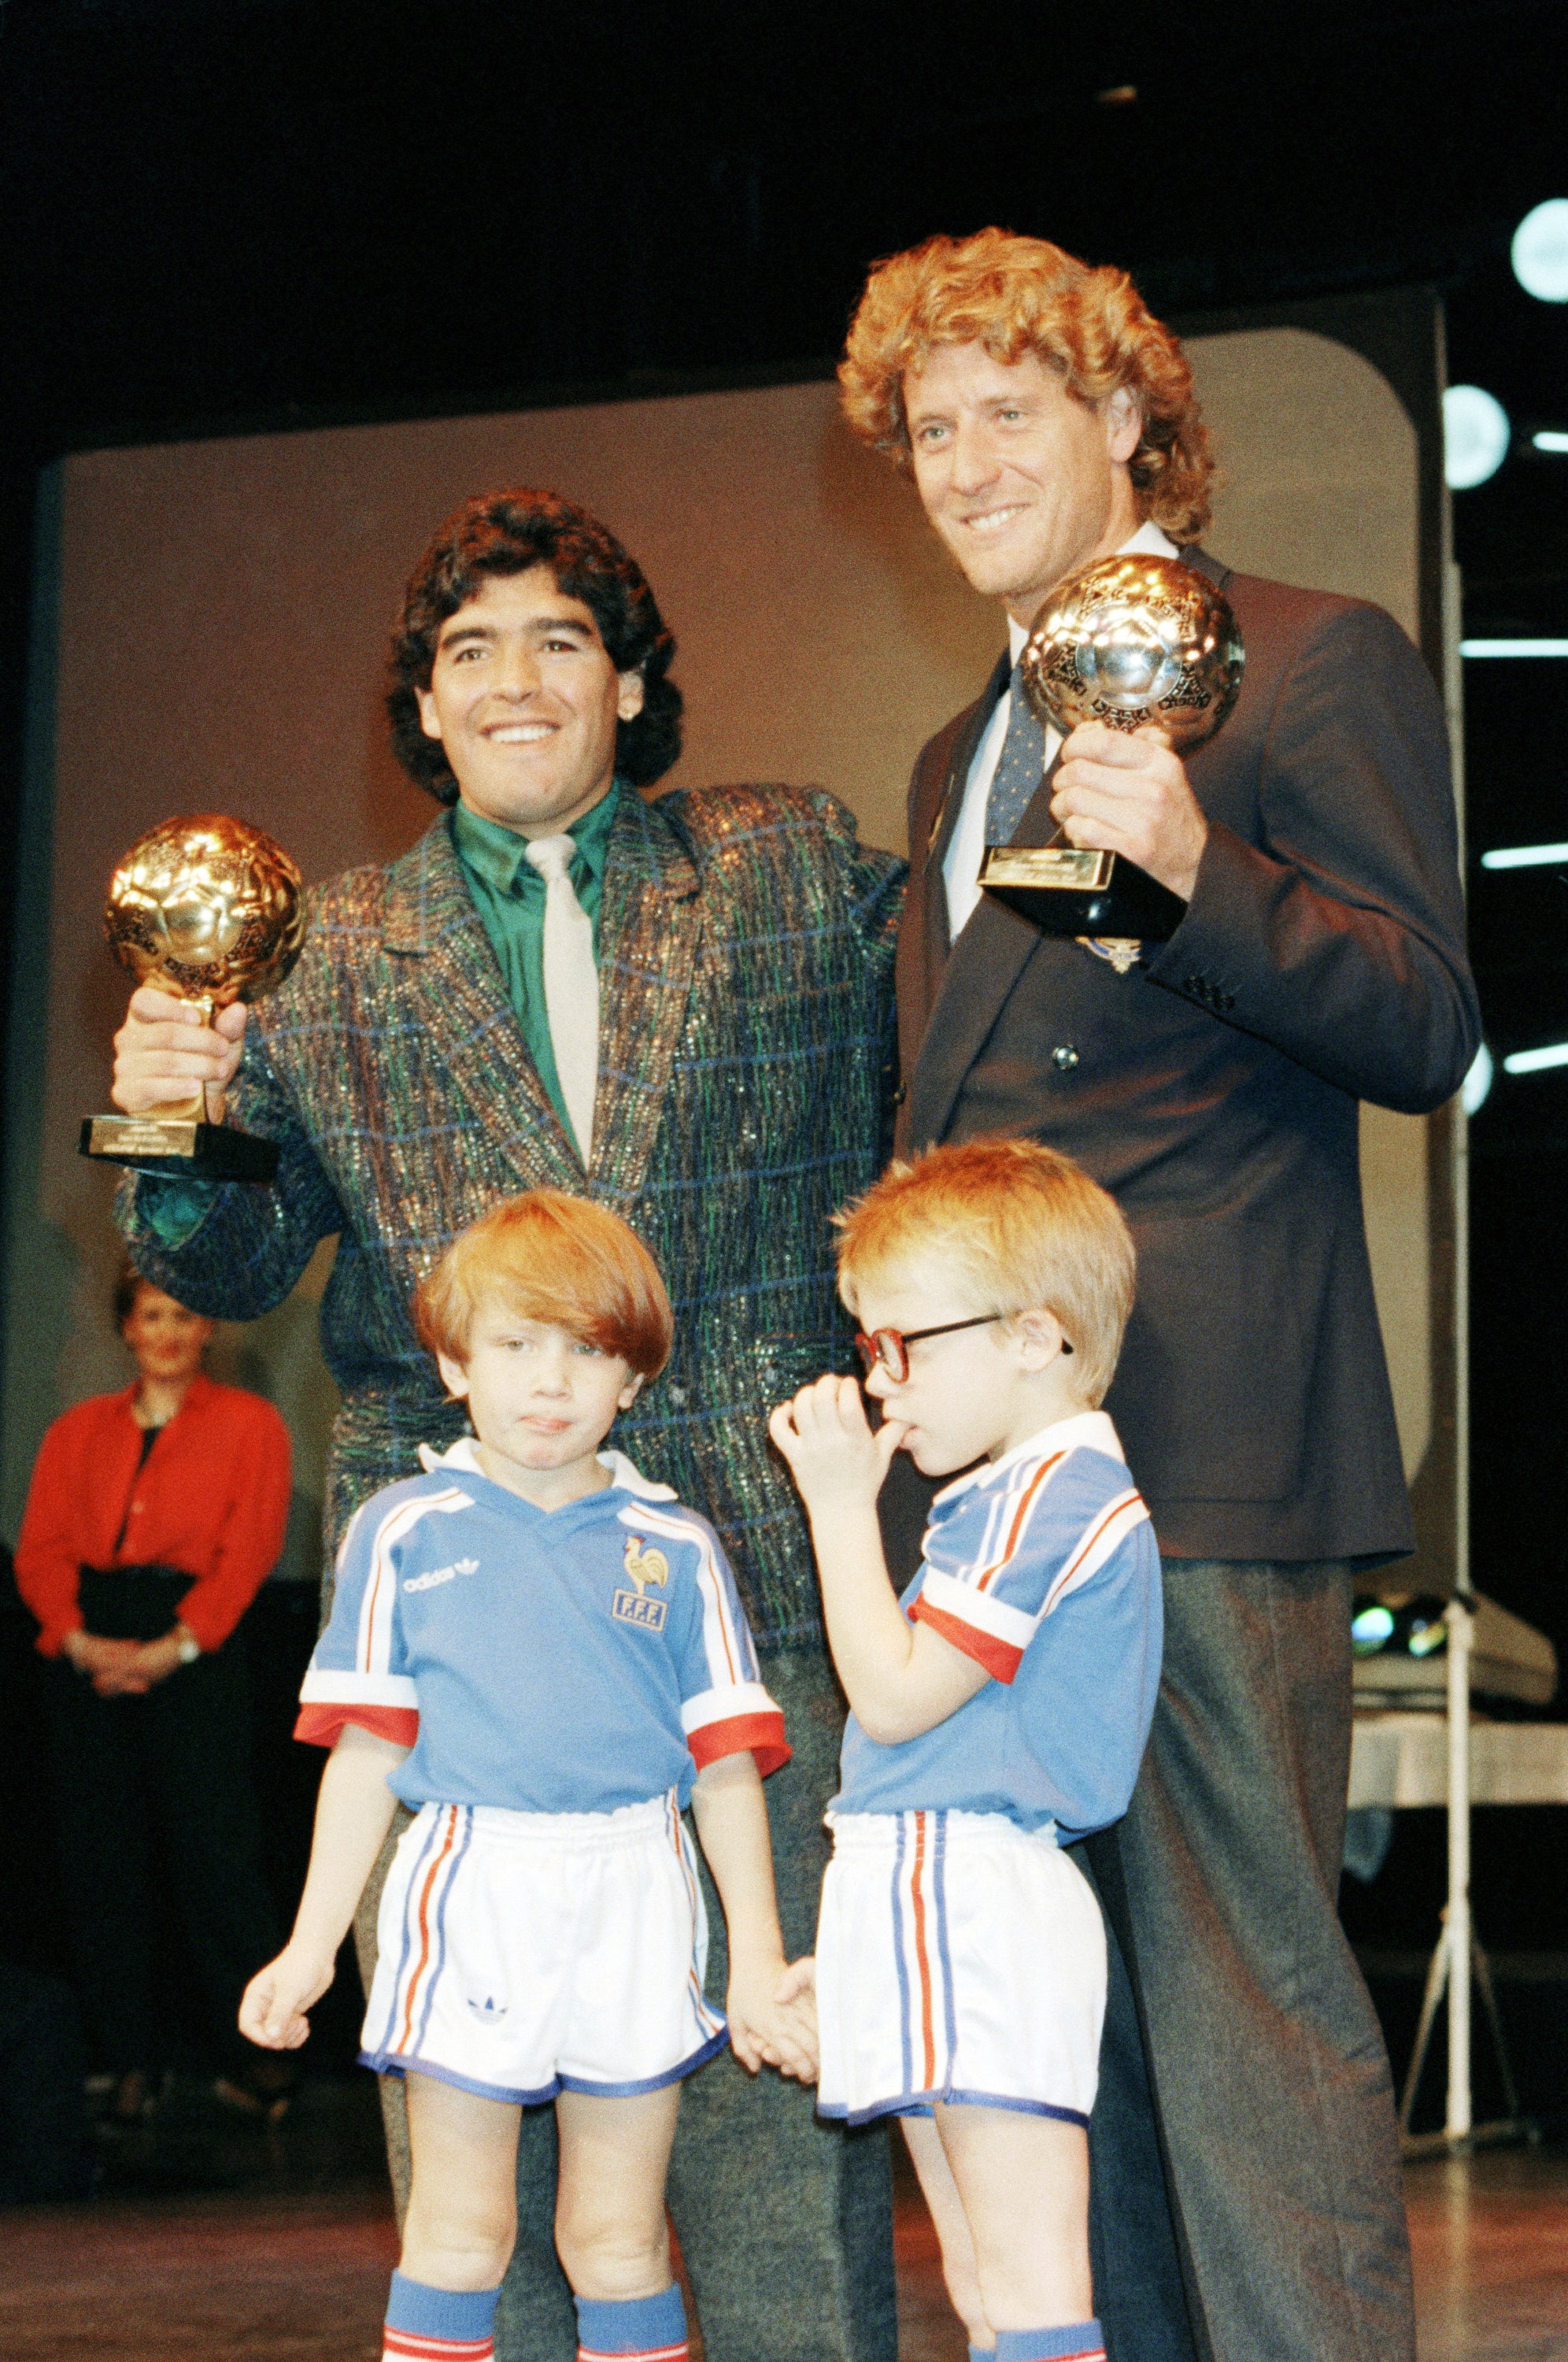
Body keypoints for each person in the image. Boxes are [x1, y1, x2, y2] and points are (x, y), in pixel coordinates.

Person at [109, 489, 903, 2360]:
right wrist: (160, 1114)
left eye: (559, 638)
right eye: (469, 651)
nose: (514, 679)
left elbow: (950, 1064)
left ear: (626, 681)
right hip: (457, 1633)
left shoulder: (785, 860)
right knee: (476, 2201)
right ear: (424, 702)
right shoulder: (321, 946)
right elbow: (223, 1264)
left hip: (756, 1592)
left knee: (777, 2141)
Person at [837, 228, 1481, 2362]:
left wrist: (1208, 879)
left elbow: (1420, 1024)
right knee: (1057, 2042)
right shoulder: (956, 760)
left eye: (1010, 410)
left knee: (1249, 2023)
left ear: (1129, 417)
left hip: (1199, 1459)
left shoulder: (1306, 661)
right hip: (989, 1490)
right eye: (930, 428)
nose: (963, 459)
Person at [242, 1191, 814, 2362]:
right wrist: (308, 1947)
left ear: (633, 1381)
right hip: (473, 1882)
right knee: (459, 2233)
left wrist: (754, 1957)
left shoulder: (682, 1548)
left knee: (615, 2240)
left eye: (587, 1350)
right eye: (515, 1345)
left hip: (635, 1891)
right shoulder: (399, 1531)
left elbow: (723, 1775)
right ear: (456, 1363)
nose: (550, 1382)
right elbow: (366, 1758)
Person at [769, 1138, 1159, 2362]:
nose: (880, 1383)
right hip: (925, 1879)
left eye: (905, 1344)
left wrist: (837, 1506)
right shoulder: (1015, 1487)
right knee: (991, 2288)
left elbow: (889, 1703)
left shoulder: (1047, 1490)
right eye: (868, 1346)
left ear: (1037, 1336)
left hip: (974, 1889)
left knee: (1031, 2285)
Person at [13, 1264, 290, 2117]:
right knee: (106, 1865)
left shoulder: (252, 1424)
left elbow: (247, 1550)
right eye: (151, 1314)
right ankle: (131, 2063)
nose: (168, 1330)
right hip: (90, 1646)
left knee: (218, 1859)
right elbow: (42, 1550)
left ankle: (255, 2061)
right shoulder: (76, 1431)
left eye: (184, 1313)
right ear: (126, 1328)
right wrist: (77, 1637)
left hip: (197, 1649)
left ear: (208, 1330)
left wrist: (175, 1647)